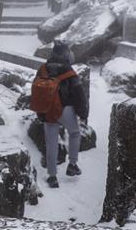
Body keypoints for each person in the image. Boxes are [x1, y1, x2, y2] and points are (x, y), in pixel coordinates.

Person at [38, 42, 88, 189]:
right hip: (65, 109)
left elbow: (38, 91)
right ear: (66, 54)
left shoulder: (43, 69)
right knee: (74, 133)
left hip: (48, 110)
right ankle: (72, 165)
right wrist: (83, 113)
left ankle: (52, 176)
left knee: (51, 143)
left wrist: (40, 111)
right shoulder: (69, 71)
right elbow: (79, 94)